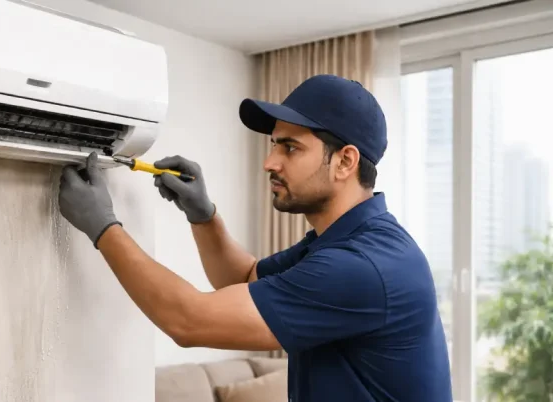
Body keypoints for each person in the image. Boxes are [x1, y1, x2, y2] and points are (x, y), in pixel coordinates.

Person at [57, 74, 452, 402]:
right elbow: (244, 278)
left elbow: (188, 321)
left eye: (291, 148)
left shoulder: (363, 266)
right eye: (274, 144)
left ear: (345, 161)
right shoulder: (340, 242)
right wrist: (203, 215)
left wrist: (103, 227)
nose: (269, 162)